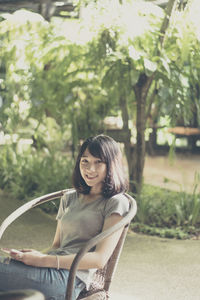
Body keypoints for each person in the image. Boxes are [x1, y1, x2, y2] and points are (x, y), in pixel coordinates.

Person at [0, 134, 130, 300]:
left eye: (99, 162)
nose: (90, 169)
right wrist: (33, 256)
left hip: (69, 280)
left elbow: (99, 259)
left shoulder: (115, 202)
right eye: (85, 161)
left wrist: (43, 260)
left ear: (111, 165)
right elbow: (57, 245)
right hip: (48, 270)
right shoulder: (69, 198)